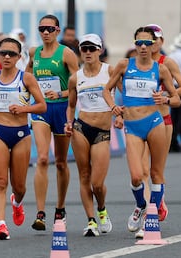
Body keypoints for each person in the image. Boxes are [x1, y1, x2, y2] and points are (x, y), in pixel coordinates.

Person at [103, 26, 181, 237]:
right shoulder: (124, 65)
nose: (144, 47)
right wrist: (114, 109)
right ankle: (141, 206)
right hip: (133, 126)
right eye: (139, 43)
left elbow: (177, 98)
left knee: (156, 174)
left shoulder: (161, 69)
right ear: (134, 44)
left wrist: (165, 99)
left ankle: (151, 218)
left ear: (154, 44)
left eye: (147, 43)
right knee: (137, 176)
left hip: (155, 122)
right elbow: (106, 90)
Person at [0, 37, 46, 240]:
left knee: (19, 186)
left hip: (20, 135)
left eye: (11, 53)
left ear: (20, 57)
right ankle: (1, 225)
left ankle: (17, 203)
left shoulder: (26, 78)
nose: (7, 57)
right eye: (3, 53)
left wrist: (24, 108)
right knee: (0, 181)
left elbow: (42, 105)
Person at [136, 24, 181, 238]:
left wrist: (167, 94)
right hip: (139, 120)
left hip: (162, 120)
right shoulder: (135, 62)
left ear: (161, 42)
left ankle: (157, 206)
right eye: (145, 41)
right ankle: (150, 212)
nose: (149, 44)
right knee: (140, 172)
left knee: (156, 170)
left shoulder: (167, 63)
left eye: (154, 40)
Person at [26, 14, 79, 231]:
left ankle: (60, 207)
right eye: (42, 29)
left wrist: (61, 93)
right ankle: (40, 213)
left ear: (57, 30)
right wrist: (26, 92)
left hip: (62, 109)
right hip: (42, 109)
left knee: (60, 162)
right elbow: (27, 73)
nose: (45, 32)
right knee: (41, 158)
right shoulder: (33, 52)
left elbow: (79, 83)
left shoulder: (66, 53)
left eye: (49, 29)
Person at [65, 34, 117, 237]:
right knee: (84, 176)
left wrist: (120, 113)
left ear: (100, 50)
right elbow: (71, 106)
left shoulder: (110, 70)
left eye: (91, 49)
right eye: (84, 49)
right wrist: (69, 123)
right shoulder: (75, 77)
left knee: (97, 182)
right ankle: (91, 220)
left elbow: (123, 92)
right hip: (81, 128)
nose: (87, 52)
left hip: (102, 131)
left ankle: (102, 209)